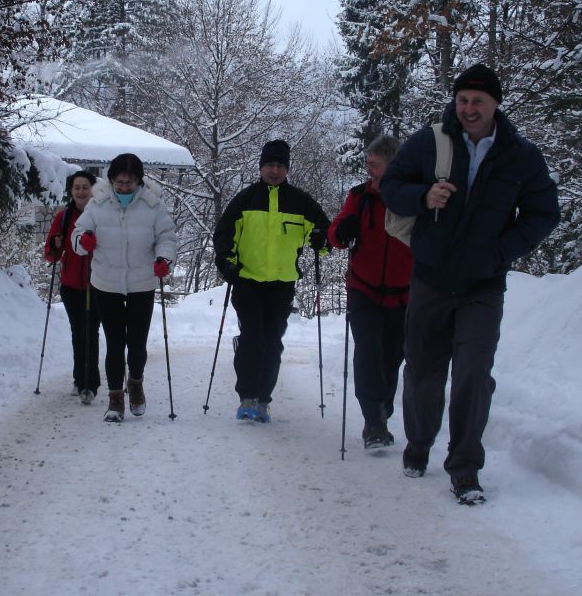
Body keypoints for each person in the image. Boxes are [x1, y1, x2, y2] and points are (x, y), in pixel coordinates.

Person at [380, 63, 559, 504]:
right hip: (431, 279)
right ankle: (418, 446)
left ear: (496, 104)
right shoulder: (431, 140)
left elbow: (544, 213)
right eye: (462, 100)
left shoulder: (521, 155)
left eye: (478, 101)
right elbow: (392, 186)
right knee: (423, 370)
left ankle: (464, 470)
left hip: (483, 285)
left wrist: (501, 251)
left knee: (473, 375)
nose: (468, 108)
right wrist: (423, 196)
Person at [212, 139, 330, 423]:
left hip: (281, 284)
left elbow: (325, 234)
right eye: (269, 165)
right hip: (247, 282)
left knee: (272, 342)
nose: (274, 171)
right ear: (261, 167)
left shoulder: (301, 202)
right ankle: (247, 398)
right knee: (253, 339)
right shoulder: (245, 199)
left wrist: (321, 240)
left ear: (286, 169)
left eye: (279, 166)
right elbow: (224, 235)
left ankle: (264, 399)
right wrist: (227, 263)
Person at [72, 153, 178, 423]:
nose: (124, 187)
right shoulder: (98, 204)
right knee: (115, 343)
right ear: (111, 180)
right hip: (106, 283)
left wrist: (164, 259)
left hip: (142, 282)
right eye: (119, 182)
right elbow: (78, 232)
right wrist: (83, 241)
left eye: (130, 182)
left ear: (139, 181)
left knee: (138, 344)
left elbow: (166, 237)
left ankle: (136, 382)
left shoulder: (153, 205)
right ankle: (115, 397)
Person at [328, 135, 412, 450]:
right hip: (363, 288)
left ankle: (382, 411)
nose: (368, 168)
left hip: (404, 292)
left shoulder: (411, 197)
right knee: (367, 352)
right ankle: (373, 422)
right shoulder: (359, 196)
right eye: (368, 162)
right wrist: (341, 233)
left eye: (374, 163)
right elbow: (335, 233)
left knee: (392, 357)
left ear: (392, 164)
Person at [44, 170, 101, 404]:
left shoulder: (101, 214)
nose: (80, 191)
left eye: (85, 187)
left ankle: (91, 383)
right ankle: (80, 380)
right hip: (70, 285)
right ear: (71, 191)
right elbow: (52, 256)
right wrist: (55, 245)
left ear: (92, 190)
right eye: (77, 187)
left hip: (96, 284)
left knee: (91, 332)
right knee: (78, 332)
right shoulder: (64, 216)